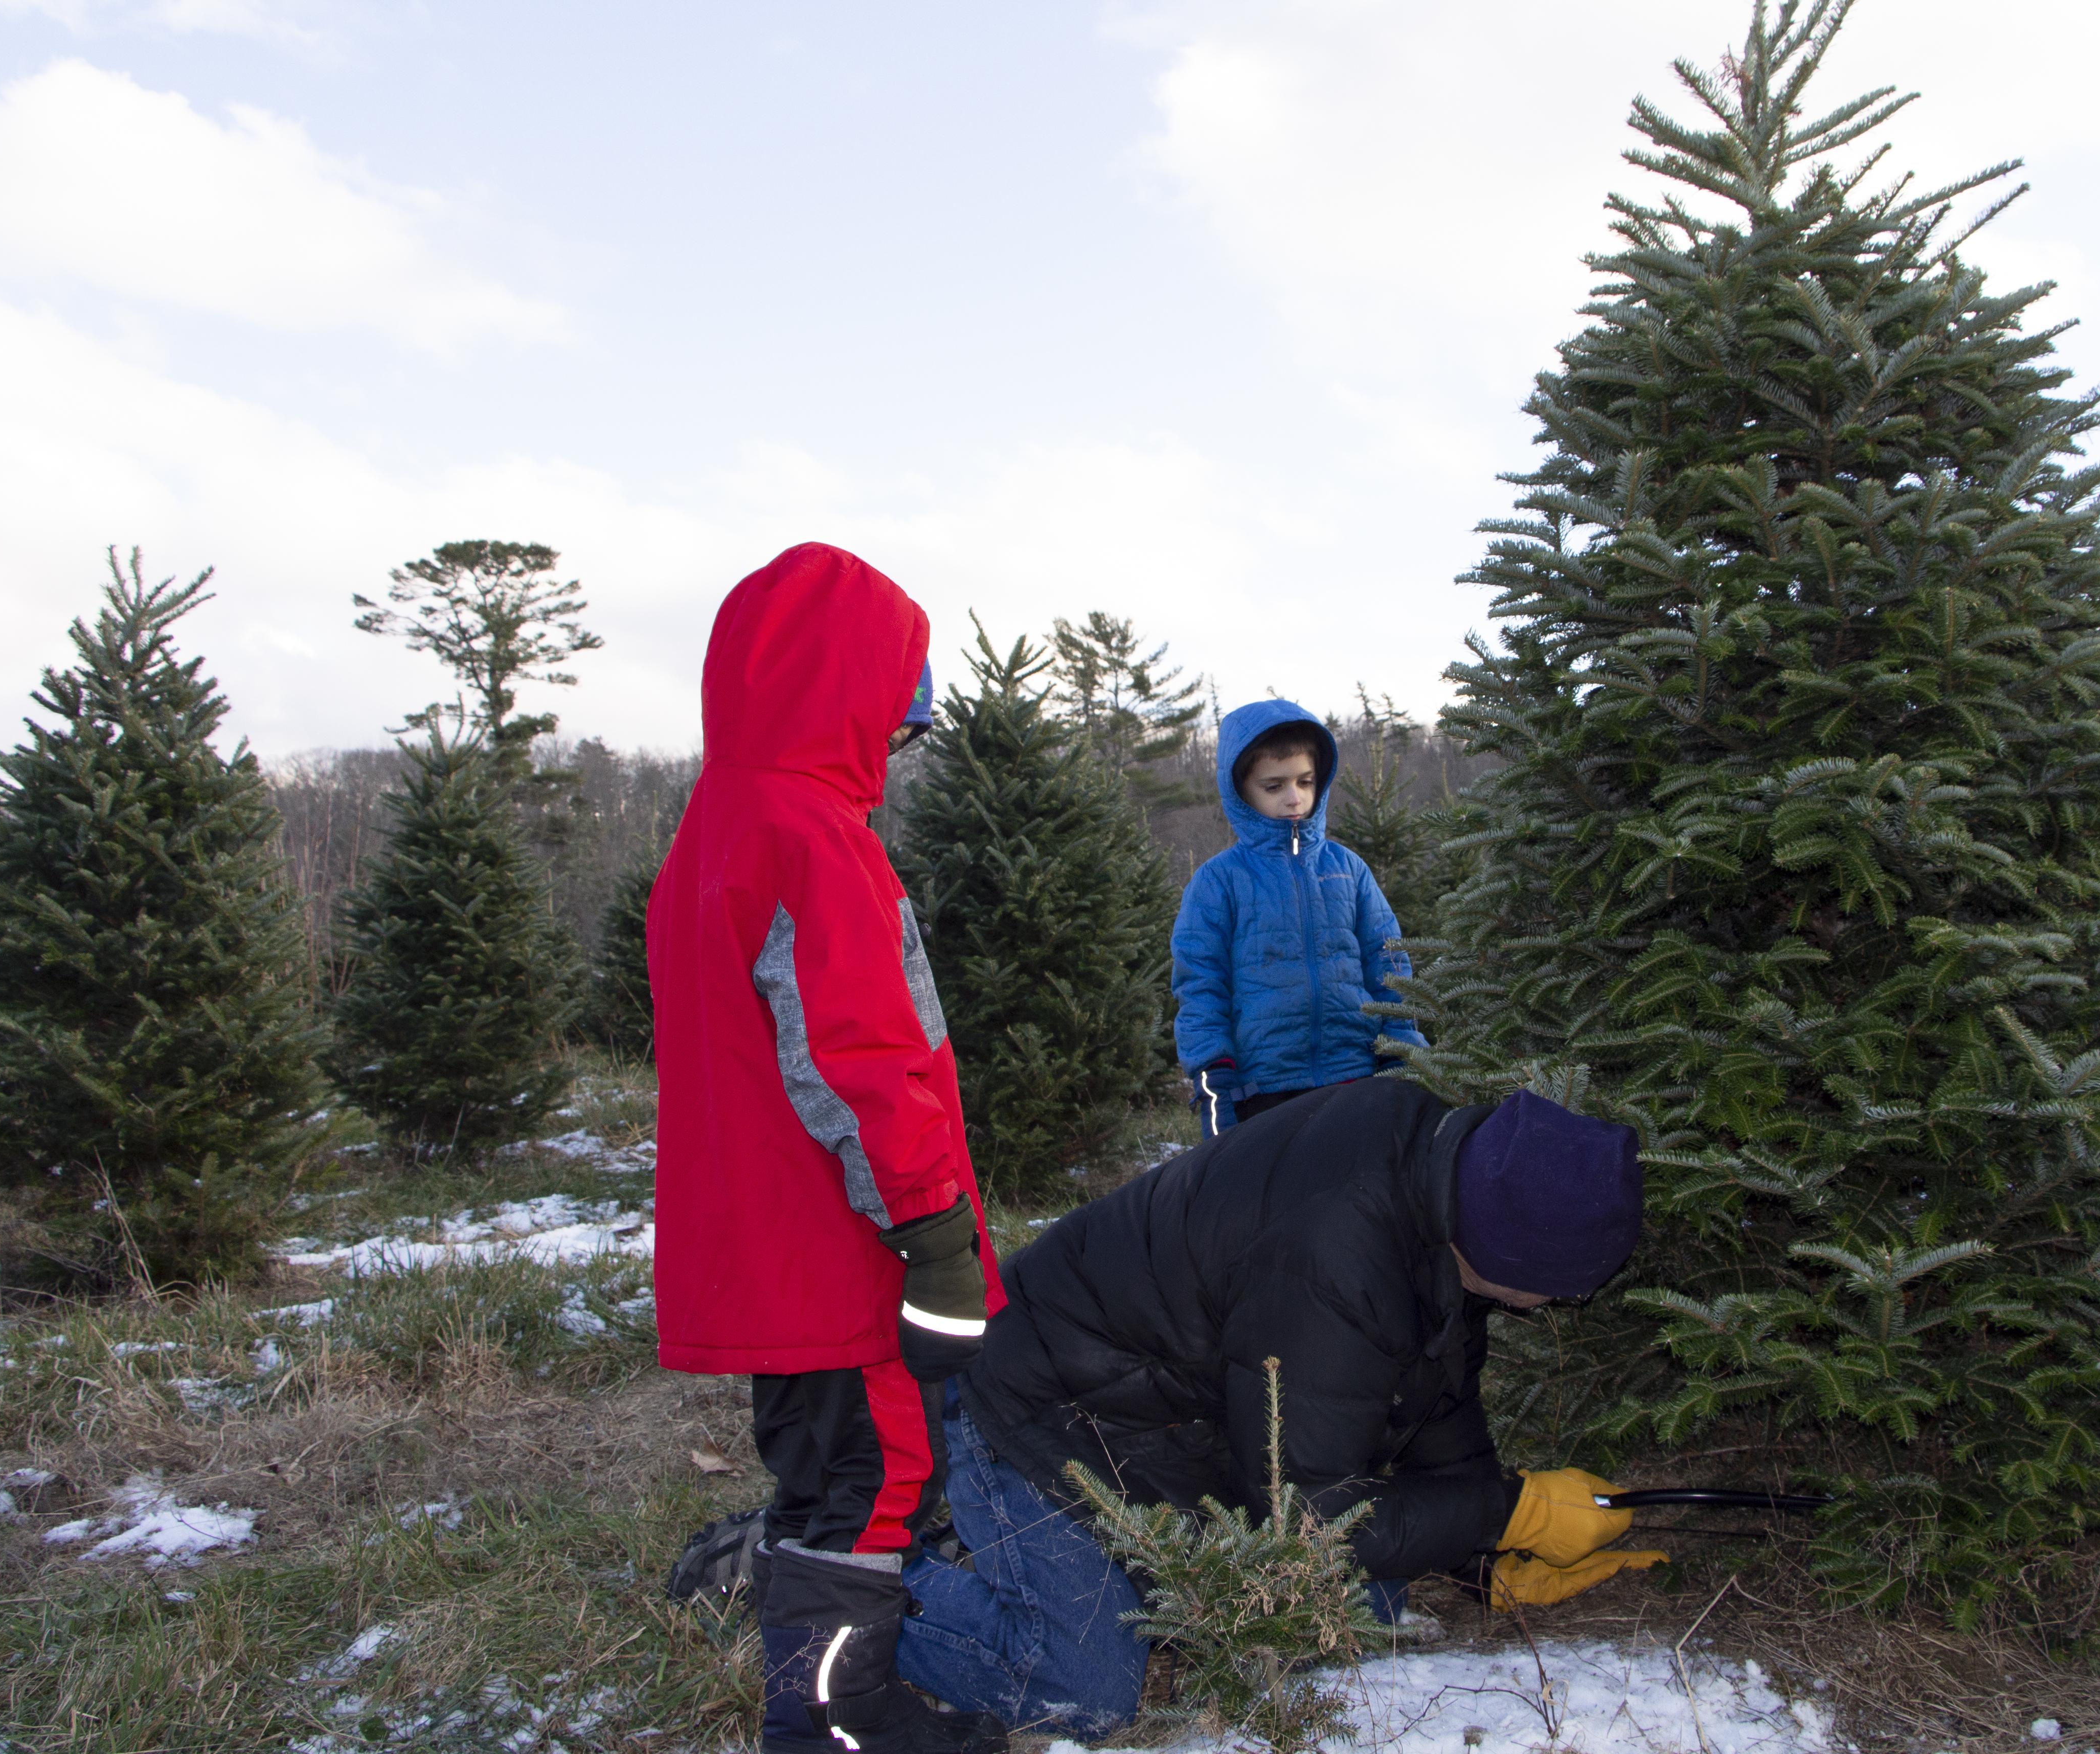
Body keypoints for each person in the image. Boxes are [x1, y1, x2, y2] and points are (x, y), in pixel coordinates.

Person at [894, 1080, 1663, 1737]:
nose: (1565, 1305)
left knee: (1366, 1600)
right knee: (1087, 1691)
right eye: (1564, 1290)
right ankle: (858, 1589)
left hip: (1161, 1421)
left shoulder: (1443, 1178)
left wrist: (1483, 1558)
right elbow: (1312, 1514)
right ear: (1511, 1255)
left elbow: (1438, 1396)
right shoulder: (1339, 1247)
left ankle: (1035, 1565)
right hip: (1034, 1409)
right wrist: (1506, 1511)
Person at [647, 544, 1010, 1754]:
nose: (894, 752)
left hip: (765, 1245)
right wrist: (933, 1229)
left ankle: (846, 1693)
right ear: (846, 688)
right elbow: (857, 1061)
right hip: (837, 1245)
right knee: (874, 1472)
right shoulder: (813, 837)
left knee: (826, 1468)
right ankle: (832, 1719)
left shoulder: (716, 824)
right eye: (894, 713)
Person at [1172, 699, 1430, 1137]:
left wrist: (1399, 1047)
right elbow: (1200, 985)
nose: (1294, 798)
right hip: (1263, 1091)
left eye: (1304, 782)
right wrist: (1213, 1074)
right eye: (1274, 787)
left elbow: (1389, 963)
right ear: (1242, 791)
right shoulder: (1219, 881)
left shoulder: (1348, 869)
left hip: (1355, 1073)